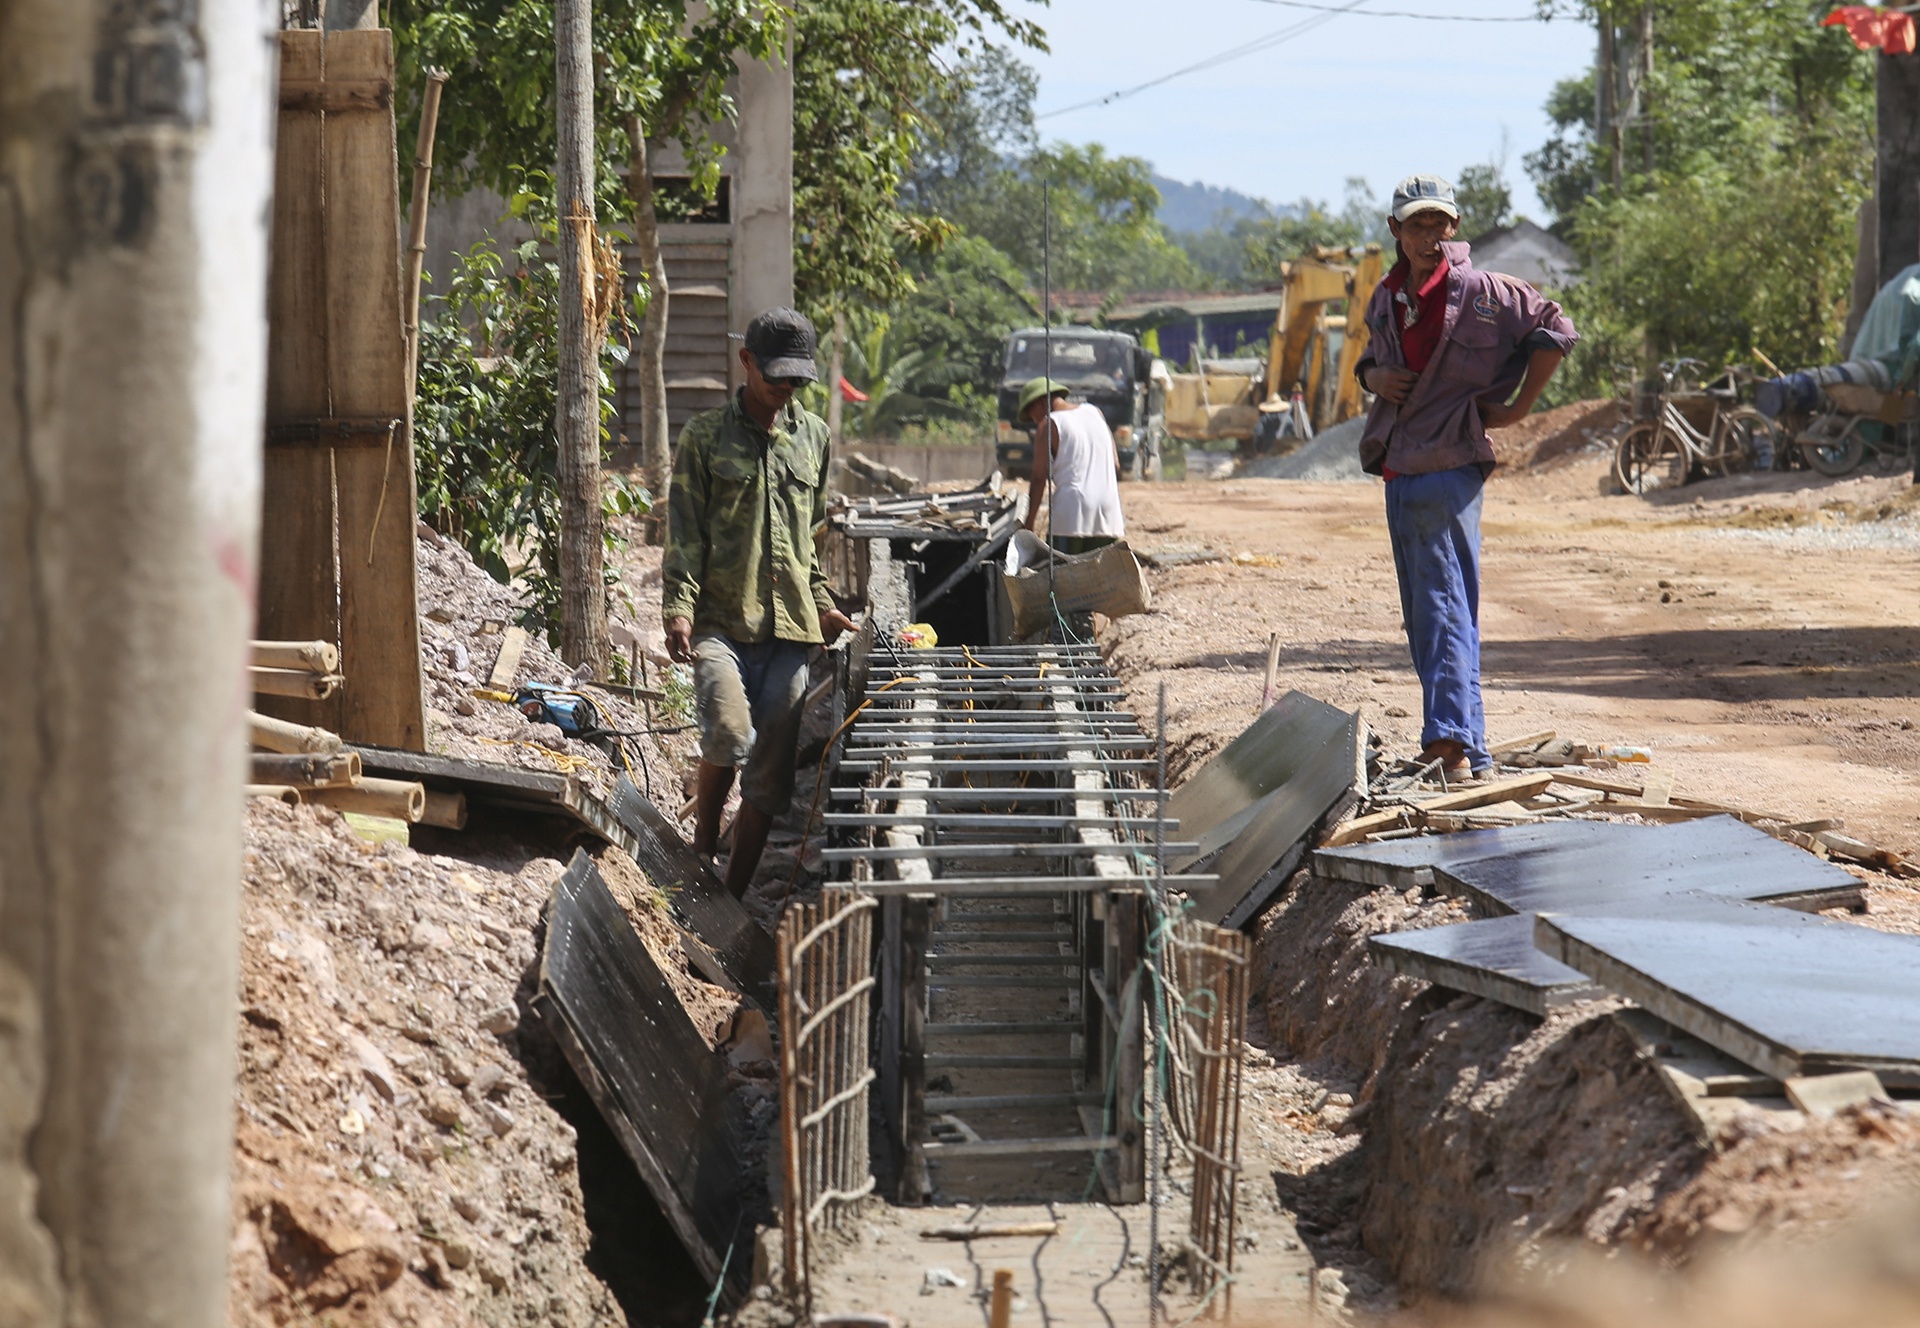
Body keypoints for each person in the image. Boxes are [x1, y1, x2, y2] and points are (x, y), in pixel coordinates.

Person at [1354, 174, 1577, 779]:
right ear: (1396, 231)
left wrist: (1520, 407)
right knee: (1433, 611)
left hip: (1450, 465)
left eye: (1439, 223)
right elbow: (1371, 359)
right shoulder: (1386, 296)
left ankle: (1448, 745)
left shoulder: (1484, 292)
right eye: (1417, 224)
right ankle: (1469, 750)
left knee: (1442, 605)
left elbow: (1554, 331)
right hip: (1400, 469)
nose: (1430, 235)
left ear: (1454, 227)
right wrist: (1372, 379)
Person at [662, 307, 855, 898]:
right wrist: (678, 607)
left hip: (791, 632)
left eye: (796, 381)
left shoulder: (814, 438)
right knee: (727, 729)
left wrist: (821, 602)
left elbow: (811, 539)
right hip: (721, 619)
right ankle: (700, 851)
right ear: (745, 362)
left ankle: (731, 896)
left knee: (769, 781)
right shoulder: (703, 438)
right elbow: (685, 531)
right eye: (775, 378)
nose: (784, 391)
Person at [1019, 376, 1125, 641]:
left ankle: (1064, 645)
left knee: (1062, 587)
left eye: (1031, 415)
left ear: (1039, 404)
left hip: (1072, 512)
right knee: (1093, 586)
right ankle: (1089, 642)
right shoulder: (1095, 413)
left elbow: (1038, 479)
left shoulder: (1049, 424)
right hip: (1108, 511)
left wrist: (1029, 525)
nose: (1034, 422)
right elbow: (1116, 466)